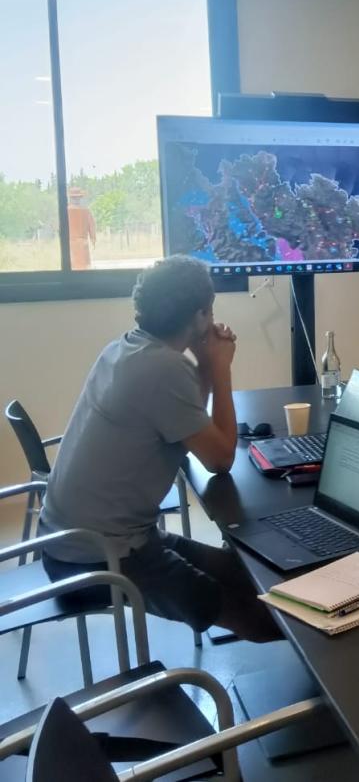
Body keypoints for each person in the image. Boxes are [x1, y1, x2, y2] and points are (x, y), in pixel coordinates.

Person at [40, 255, 279, 641]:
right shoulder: (162, 369)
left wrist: (204, 363)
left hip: (77, 541)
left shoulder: (127, 349)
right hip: (100, 557)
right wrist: (220, 368)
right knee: (265, 617)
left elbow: (185, 417)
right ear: (200, 315)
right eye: (210, 310)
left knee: (248, 574)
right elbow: (220, 459)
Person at [67, 186, 96, 270]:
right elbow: (92, 226)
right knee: (83, 268)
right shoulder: (86, 211)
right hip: (83, 243)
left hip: (69, 244)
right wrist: (93, 239)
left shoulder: (66, 211)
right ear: (80, 197)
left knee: (72, 268)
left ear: (70, 198)